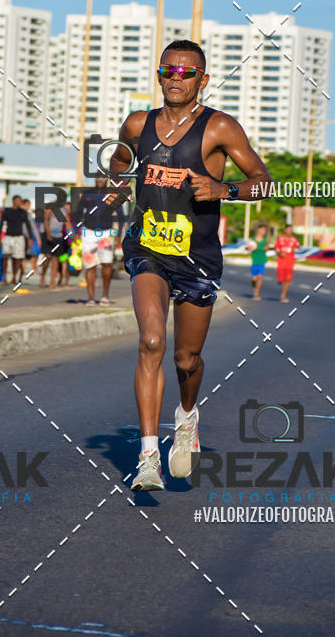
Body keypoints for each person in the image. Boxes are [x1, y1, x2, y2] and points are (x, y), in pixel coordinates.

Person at [110, 40, 272, 491]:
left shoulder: (220, 127)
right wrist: (118, 187)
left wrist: (226, 190)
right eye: (169, 70)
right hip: (148, 249)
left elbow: (264, 183)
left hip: (198, 259)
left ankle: (186, 417)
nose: (176, 78)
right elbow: (120, 163)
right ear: (158, 74)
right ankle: (147, 458)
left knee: (187, 358)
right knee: (152, 340)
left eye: (187, 72)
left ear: (202, 79)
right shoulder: (137, 124)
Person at [74, 176, 126, 307]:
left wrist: (118, 234)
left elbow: (120, 216)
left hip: (106, 233)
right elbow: (77, 213)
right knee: (89, 265)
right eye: (97, 177)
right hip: (88, 232)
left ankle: (105, 296)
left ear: (106, 180)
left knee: (106, 264)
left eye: (102, 178)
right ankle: (91, 298)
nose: (99, 180)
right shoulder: (87, 194)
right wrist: (75, 231)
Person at [0, 196, 34, 285]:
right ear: (13, 201)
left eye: (21, 201)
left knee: (17, 259)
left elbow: (28, 225)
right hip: (8, 237)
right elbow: (1, 224)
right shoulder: (7, 211)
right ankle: (4, 278)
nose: (19, 202)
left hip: (19, 237)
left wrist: (30, 238)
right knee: (5, 257)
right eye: (18, 201)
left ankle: (14, 278)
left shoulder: (23, 213)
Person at [274, 223, 300, 303]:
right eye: (288, 229)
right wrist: (279, 253)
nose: (289, 231)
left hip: (290, 262)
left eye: (291, 230)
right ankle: (280, 280)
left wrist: (294, 249)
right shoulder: (280, 238)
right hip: (281, 261)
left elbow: (297, 248)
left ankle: (283, 295)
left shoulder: (294, 239)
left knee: (288, 280)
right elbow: (276, 248)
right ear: (285, 230)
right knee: (281, 280)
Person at [247, 224, 268, 300]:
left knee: (260, 277)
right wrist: (249, 247)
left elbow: (267, 247)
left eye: (265, 230)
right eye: (262, 230)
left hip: (262, 261)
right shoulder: (252, 239)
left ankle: (256, 294)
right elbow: (247, 247)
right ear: (259, 230)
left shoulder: (265, 240)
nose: (264, 231)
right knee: (254, 278)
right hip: (254, 261)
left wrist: (266, 248)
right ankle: (254, 286)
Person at [22, 199, 41, 276]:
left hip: (29, 238)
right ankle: (22, 270)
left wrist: (37, 238)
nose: (28, 207)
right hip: (21, 237)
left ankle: (34, 270)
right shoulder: (20, 214)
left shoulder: (28, 215)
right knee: (22, 255)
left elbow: (33, 228)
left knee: (32, 254)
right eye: (27, 205)